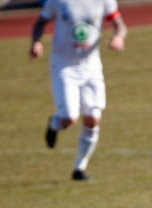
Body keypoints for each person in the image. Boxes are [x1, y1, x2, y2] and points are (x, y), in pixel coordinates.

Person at [29, 0, 127, 181]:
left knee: (93, 118)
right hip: (64, 66)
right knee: (69, 118)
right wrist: (36, 42)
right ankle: (54, 123)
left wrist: (119, 37)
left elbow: (119, 24)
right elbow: (41, 21)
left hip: (91, 66)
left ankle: (79, 169)